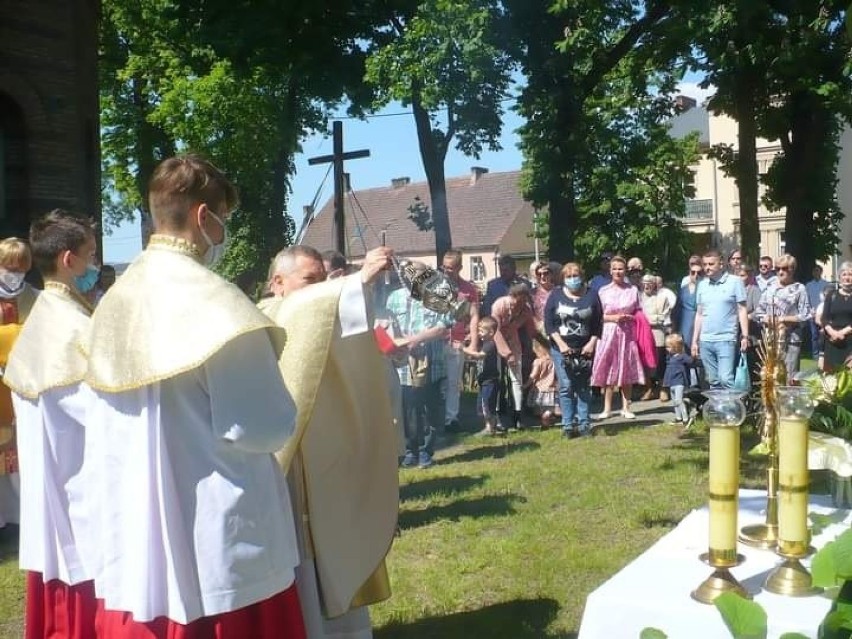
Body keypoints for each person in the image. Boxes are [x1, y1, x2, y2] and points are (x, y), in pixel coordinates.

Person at [83, 155, 307, 636]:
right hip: (217, 536)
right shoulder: (218, 304)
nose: (224, 235)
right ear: (205, 217)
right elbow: (262, 426)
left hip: (136, 534)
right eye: (224, 220)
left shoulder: (111, 304)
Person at [262, 243, 398, 639]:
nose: (321, 290)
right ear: (278, 283)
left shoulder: (320, 315)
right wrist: (357, 281)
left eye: (324, 281)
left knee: (336, 546)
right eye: (310, 280)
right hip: (287, 465)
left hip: (329, 457)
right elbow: (298, 314)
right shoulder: (265, 316)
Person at [4, 212, 97, 639]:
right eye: (90, 256)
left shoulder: (43, 315)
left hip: (51, 473)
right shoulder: (73, 325)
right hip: (78, 475)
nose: (94, 265)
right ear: (67, 260)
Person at [386, 283, 453, 469]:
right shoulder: (394, 297)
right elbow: (388, 326)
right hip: (404, 366)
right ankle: (410, 451)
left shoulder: (437, 297)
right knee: (409, 411)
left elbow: (443, 328)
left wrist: (416, 339)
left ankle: (426, 452)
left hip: (432, 365)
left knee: (431, 411)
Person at [0, 237, 38, 531]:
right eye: (7, 265)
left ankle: (23, 513)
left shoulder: (37, 299)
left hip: (23, 386)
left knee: (22, 446)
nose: (13, 271)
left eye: (19, 266)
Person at [545, 262, 602, 437]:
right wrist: (561, 344)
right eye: (568, 277)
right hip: (560, 347)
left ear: (581, 276)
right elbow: (549, 323)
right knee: (566, 386)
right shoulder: (555, 295)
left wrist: (591, 343)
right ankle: (568, 425)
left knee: (583, 387)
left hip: (585, 348)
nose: (572, 279)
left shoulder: (592, 295)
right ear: (563, 279)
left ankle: (584, 424)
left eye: (575, 276)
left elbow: (598, 323)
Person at [590, 256, 644, 419]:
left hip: (627, 334)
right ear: (610, 270)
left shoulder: (632, 290)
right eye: (615, 268)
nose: (618, 271)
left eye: (621, 268)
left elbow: (640, 312)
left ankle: (626, 407)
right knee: (608, 370)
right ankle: (606, 408)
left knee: (626, 368)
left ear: (625, 270)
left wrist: (631, 318)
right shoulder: (603, 291)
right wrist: (613, 318)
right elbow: (597, 316)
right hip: (608, 333)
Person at [692, 249, 749, 389]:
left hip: (726, 339)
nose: (707, 267)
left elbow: (742, 310)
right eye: (705, 264)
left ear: (721, 264)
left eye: (711, 264)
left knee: (725, 379)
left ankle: (732, 409)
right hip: (706, 340)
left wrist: (745, 336)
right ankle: (718, 410)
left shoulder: (735, 282)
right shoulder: (702, 285)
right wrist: (694, 341)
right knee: (713, 381)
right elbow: (699, 314)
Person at [440, 249, 480, 433]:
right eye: (444, 267)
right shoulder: (435, 286)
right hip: (436, 340)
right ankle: (434, 417)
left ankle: (451, 418)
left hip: (457, 340)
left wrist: (472, 342)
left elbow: (473, 316)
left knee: (453, 382)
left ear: (459, 268)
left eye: (451, 268)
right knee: (435, 382)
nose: (447, 271)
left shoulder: (468, 290)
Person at [755, 254, 811, 380]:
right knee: (770, 377)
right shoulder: (770, 288)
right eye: (778, 268)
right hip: (771, 340)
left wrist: (783, 319)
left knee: (789, 377)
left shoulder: (799, 289)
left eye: (785, 268)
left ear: (792, 269)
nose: (780, 272)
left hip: (791, 340)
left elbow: (805, 315)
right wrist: (767, 319)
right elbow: (759, 312)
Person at [491, 283, 538, 430]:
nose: (520, 304)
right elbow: (495, 330)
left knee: (516, 379)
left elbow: (531, 330)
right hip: (495, 341)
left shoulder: (525, 310)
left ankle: (518, 415)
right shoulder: (499, 305)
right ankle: (497, 415)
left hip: (513, 341)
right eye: (518, 301)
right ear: (512, 296)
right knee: (497, 378)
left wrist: (540, 347)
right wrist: (506, 353)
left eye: (524, 301)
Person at [464, 317, 501, 436]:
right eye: (478, 330)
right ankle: (491, 425)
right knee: (482, 405)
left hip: (490, 381)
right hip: (483, 380)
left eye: (482, 331)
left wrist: (463, 349)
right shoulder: (484, 343)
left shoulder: (490, 345)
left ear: (491, 332)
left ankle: (490, 427)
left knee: (487, 405)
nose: (479, 333)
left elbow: (480, 356)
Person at [640, 275, 672, 401]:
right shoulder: (639, 297)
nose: (647, 285)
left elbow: (662, 317)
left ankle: (663, 388)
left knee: (660, 361)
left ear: (655, 284)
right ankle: (649, 388)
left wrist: (646, 320)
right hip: (642, 333)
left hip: (657, 332)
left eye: (650, 283)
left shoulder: (662, 298)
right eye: (645, 283)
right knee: (645, 363)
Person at [820, 261, 852, 373]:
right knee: (831, 379)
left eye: (850, 274)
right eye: (844, 274)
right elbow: (824, 318)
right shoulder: (831, 295)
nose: (847, 278)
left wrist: (843, 332)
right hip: (832, 342)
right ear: (839, 277)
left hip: (850, 342)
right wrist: (833, 333)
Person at [524, 340, 558, 426]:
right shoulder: (553, 360)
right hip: (552, 387)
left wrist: (526, 385)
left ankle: (543, 416)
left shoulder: (537, 361)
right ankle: (548, 414)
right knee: (550, 407)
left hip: (539, 388)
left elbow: (534, 375)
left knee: (539, 407)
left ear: (538, 349)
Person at [662, 333, 693, 425]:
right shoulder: (669, 358)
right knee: (675, 402)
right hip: (671, 383)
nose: (667, 349)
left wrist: (694, 357)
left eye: (669, 347)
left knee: (679, 401)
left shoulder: (682, 356)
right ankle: (678, 417)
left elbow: (691, 361)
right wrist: (665, 382)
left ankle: (685, 418)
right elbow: (668, 371)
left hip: (679, 382)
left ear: (675, 347)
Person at [677, 261, 702, 349]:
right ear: (689, 273)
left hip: (699, 321)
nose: (696, 275)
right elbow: (677, 308)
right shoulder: (683, 289)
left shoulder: (705, 289)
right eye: (693, 272)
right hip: (684, 322)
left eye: (699, 273)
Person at [806, 265, 830, 355]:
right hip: (812, 313)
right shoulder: (808, 285)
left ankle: (824, 352)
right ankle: (815, 354)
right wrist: (809, 310)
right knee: (814, 335)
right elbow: (806, 299)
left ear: (821, 272)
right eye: (814, 271)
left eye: (818, 271)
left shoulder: (826, 284)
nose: (816, 273)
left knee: (824, 334)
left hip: (824, 313)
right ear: (812, 273)